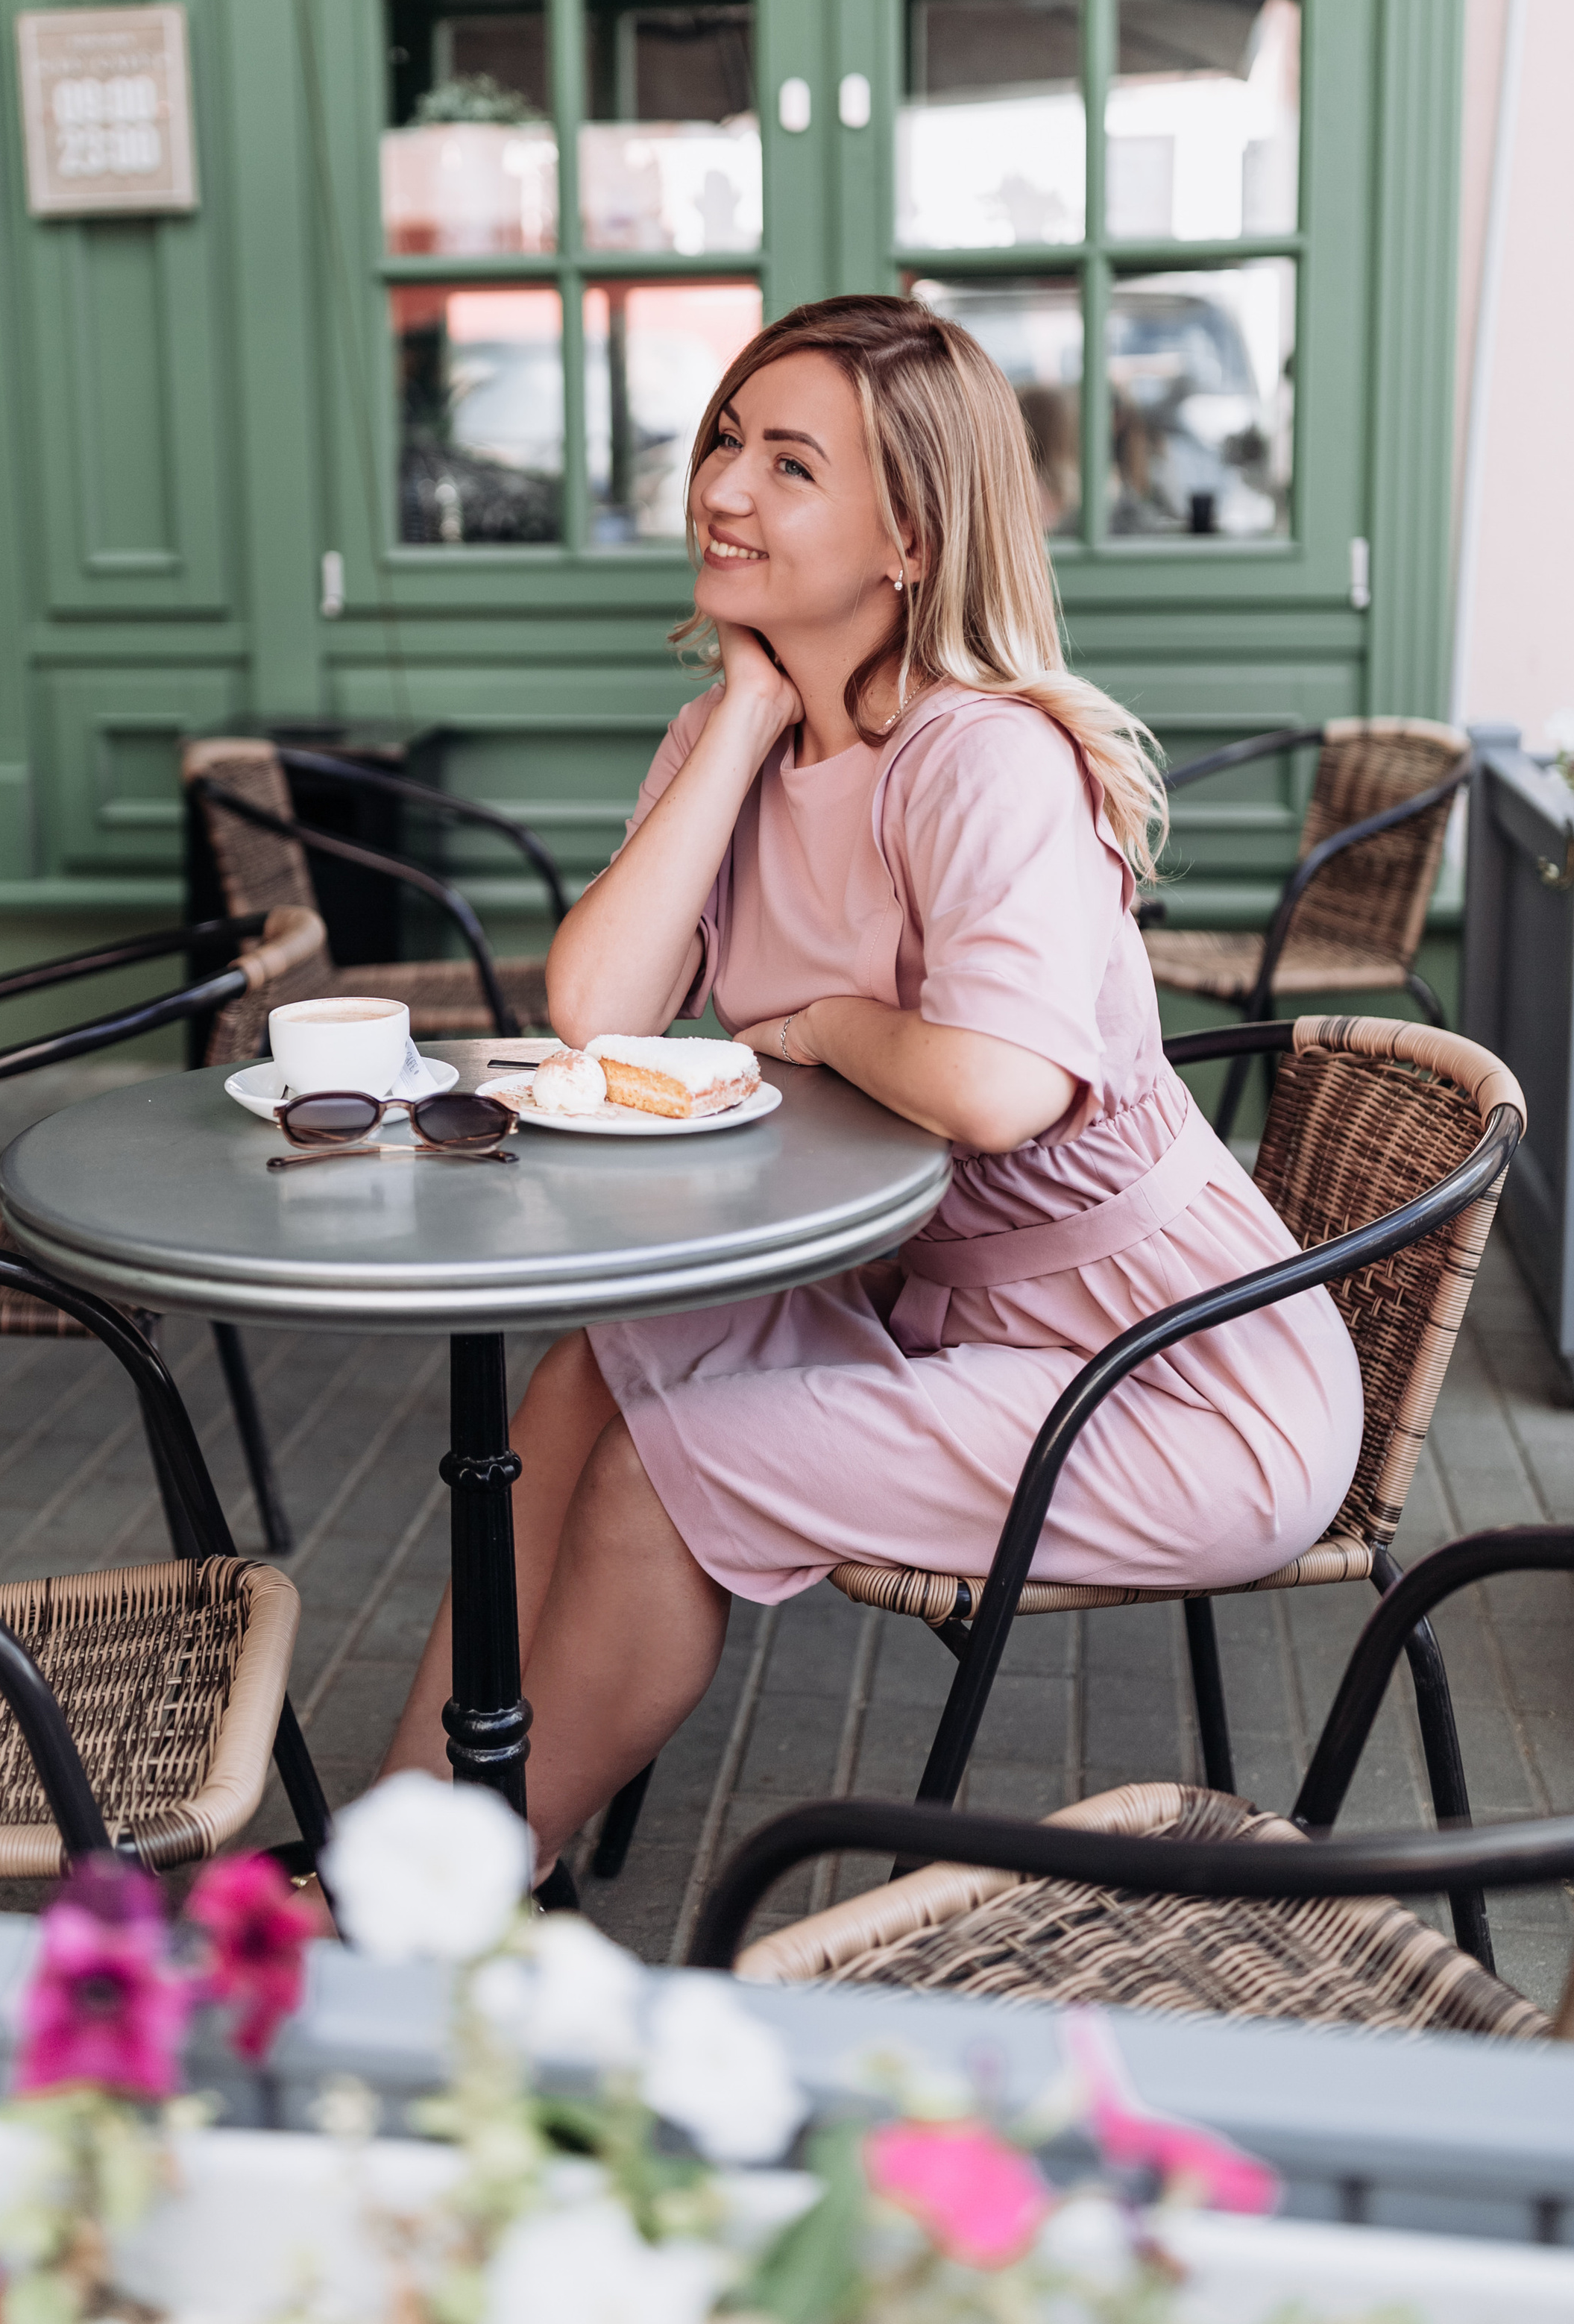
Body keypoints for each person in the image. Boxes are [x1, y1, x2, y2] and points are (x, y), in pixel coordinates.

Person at [378, 294, 1360, 1877]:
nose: (717, 489)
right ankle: (396, 1830)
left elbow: (992, 1090)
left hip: (1176, 1380)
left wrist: (826, 1023)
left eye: (785, 464)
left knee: (671, 1461)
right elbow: (593, 1013)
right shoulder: (729, 736)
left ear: (907, 535)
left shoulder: (983, 758)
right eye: (720, 444)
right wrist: (750, 714)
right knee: (590, 1369)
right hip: (955, 1322)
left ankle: (447, 1891)